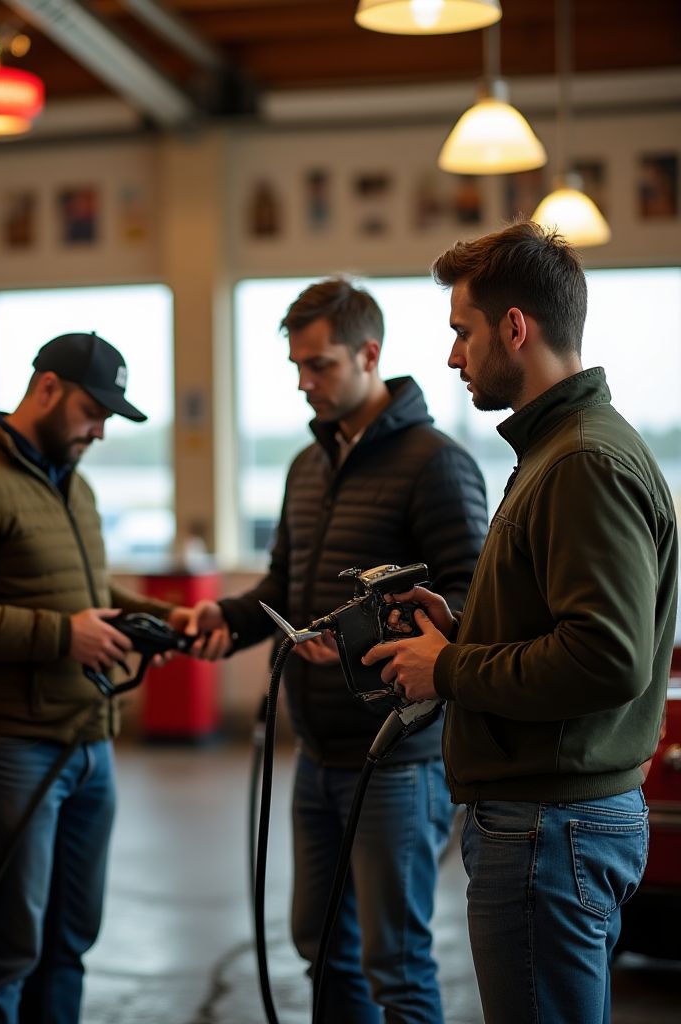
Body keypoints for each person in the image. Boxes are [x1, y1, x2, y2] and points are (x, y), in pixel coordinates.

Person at [364, 221, 679, 1024]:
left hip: (549, 825)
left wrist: (447, 671)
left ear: (515, 327)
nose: (451, 357)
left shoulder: (580, 463)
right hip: (554, 821)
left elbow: (605, 659)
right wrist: (463, 630)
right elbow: (564, 621)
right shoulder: (557, 452)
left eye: (462, 332)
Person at [183, 277, 489, 1023]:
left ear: (369, 353)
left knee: (396, 963)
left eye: (318, 365)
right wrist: (222, 616)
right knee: (319, 945)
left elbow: (472, 598)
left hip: (396, 760)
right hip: (316, 752)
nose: (303, 383)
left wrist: (365, 647)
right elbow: (287, 583)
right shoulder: (307, 466)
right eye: (296, 366)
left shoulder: (435, 463)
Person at [0, 332, 184, 1024]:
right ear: (47, 389)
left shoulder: (76, 485)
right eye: (93, 411)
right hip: (12, 749)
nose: (99, 430)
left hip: (88, 744)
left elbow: (85, 590)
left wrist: (167, 619)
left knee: (69, 941)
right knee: (9, 946)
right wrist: (65, 637)